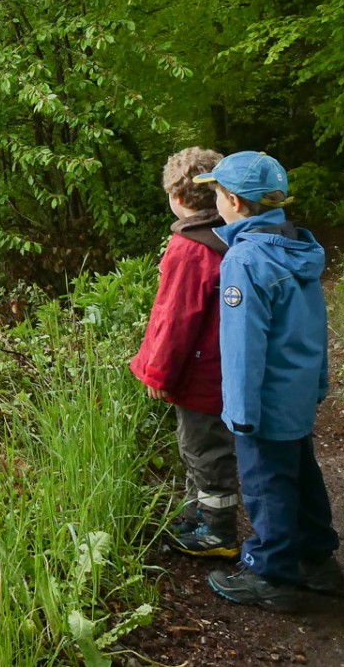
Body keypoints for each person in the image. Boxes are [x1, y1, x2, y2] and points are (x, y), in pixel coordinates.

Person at [192, 151, 344, 611]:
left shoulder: (245, 259)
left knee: (265, 483)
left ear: (234, 201)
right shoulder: (298, 246)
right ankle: (318, 561)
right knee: (301, 474)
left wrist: (238, 411)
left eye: (217, 193)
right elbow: (315, 324)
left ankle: (273, 574)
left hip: (264, 399)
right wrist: (319, 381)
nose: (216, 201)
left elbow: (243, 345)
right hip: (297, 391)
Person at [131, 148, 240, 558]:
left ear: (176, 197)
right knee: (200, 445)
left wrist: (156, 374)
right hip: (224, 367)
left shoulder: (188, 248)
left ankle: (218, 533)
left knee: (204, 450)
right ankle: (197, 516)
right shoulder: (228, 235)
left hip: (200, 376)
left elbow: (173, 318)